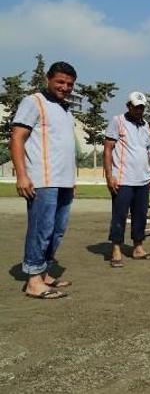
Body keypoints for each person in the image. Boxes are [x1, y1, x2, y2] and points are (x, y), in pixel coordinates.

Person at [10, 61, 78, 299]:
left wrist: (72, 180)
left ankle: (44, 272)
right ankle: (33, 280)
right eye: (60, 82)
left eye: (70, 84)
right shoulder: (33, 102)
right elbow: (17, 137)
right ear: (49, 79)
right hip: (43, 179)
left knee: (57, 230)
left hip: (64, 181)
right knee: (42, 229)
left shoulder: (65, 109)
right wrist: (21, 175)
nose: (65, 87)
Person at [104, 91, 150, 268]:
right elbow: (108, 149)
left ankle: (138, 248)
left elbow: (146, 151)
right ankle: (116, 249)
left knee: (140, 215)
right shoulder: (117, 121)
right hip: (123, 179)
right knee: (119, 215)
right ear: (128, 106)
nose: (139, 110)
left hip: (143, 178)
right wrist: (109, 175)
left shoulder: (145, 125)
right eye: (136, 107)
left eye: (142, 107)